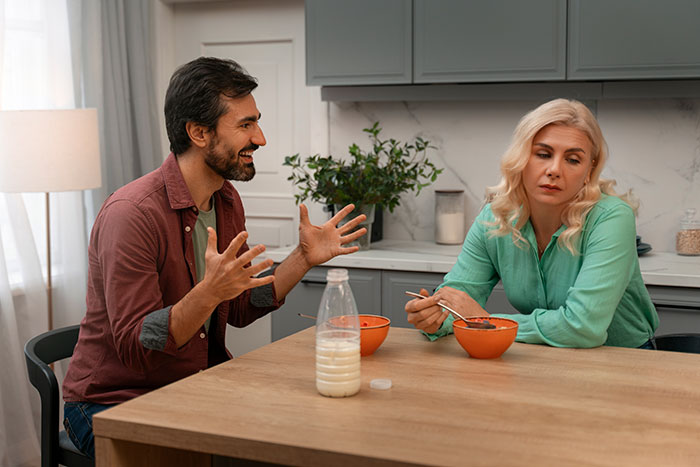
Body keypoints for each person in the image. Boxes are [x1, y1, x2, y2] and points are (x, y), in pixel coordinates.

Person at [61, 56, 367, 458]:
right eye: (245, 125)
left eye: (256, 121)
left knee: (299, 440)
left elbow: (237, 306)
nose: (260, 139)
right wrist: (208, 293)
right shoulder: (131, 215)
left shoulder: (225, 200)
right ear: (198, 132)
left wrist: (303, 258)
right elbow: (138, 346)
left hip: (192, 385)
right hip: (114, 401)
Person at [405, 98, 658, 349]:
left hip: (625, 361)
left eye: (572, 159)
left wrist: (485, 322)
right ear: (522, 157)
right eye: (543, 154)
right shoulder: (494, 218)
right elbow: (456, 300)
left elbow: (583, 327)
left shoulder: (611, 218)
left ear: (589, 170)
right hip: (542, 358)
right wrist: (436, 318)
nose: (554, 169)